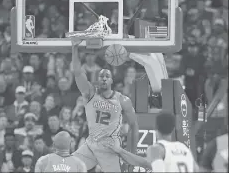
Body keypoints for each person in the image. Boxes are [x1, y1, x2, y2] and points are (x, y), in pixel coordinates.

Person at [71, 38, 139, 172]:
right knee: (67, 167)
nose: (103, 78)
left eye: (107, 76)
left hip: (110, 148)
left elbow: (134, 125)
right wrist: (74, 49)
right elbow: (78, 73)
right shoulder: (90, 93)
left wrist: (133, 154)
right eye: (101, 76)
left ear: (112, 80)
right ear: (97, 80)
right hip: (91, 145)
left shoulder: (123, 100)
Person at [107, 113, 199, 172]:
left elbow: (157, 169)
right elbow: (196, 170)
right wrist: (120, 151)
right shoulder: (184, 148)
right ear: (173, 129)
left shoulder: (156, 149)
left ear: (156, 127)